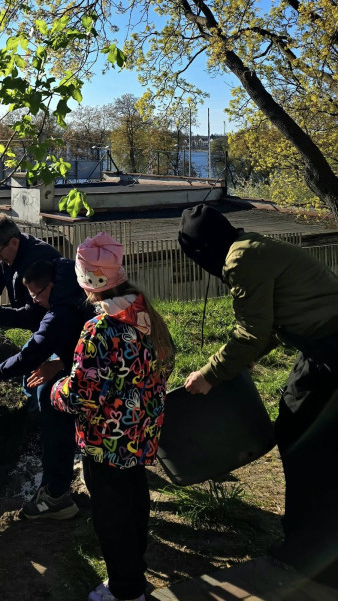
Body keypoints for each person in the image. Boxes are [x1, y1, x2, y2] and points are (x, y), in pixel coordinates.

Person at [178, 203, 338, 584]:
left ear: (201, 251)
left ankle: (311, 554)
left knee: (305, 442)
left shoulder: (240, 261)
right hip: (320, 346)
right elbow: (267, 328)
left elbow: (251, 332)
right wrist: (238, 362)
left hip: (329, 352)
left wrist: (209, 374)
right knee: (310, 438)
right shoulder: (249, 245)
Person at [51, 232, 174, 601]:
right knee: (135, 498)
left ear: (87, 282)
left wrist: (57, 390)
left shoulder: (100, 328)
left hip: (106, 440)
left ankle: (125, 589)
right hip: (140, 432)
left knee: (111, 515)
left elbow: (82, 395)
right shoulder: (143, 313)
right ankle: (134, 570)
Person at [0, 257, 95, 520]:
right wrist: (62, 361)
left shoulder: (60, 312)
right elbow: (45, 323)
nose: (35, 300)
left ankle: (56, 496)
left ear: (49, 286)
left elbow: (32, 351)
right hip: (92, 364)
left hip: (90, 374)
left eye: (36, 295)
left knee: (53, 407)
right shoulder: (75, 288)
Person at [0, 214, 61, 331]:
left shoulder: (38, 259)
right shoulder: (7, 254)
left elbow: (33, 315)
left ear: (14, 242)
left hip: (57, 328)